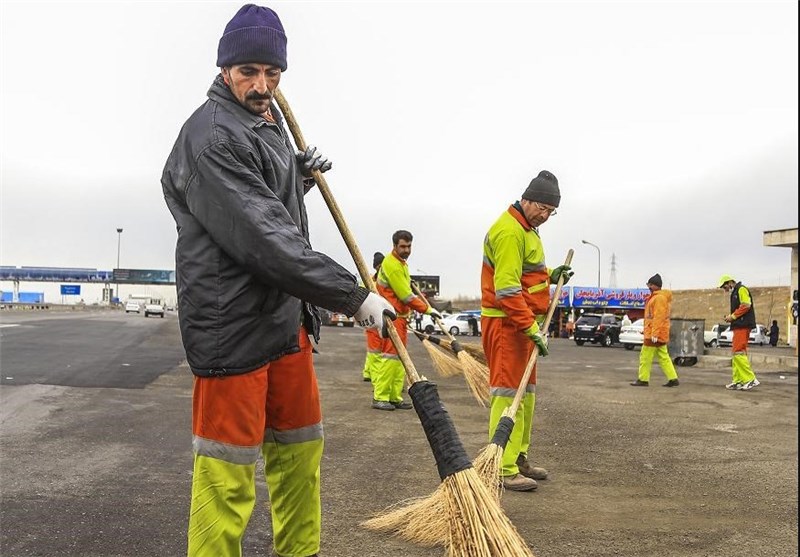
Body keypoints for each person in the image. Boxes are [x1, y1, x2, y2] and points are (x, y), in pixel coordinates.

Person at [160, 5, 396, 557]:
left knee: (300, 454)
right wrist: (352, 296)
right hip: (234, 330)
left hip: (284, 322)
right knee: (228, 478)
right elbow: (264, 238)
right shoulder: (212, 136)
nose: (262, 85)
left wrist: (297, 175)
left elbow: (268, 208)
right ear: (224, 71)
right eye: (249, 73)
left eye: (273, 74)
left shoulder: (263, 125)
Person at [481, 170, 573, 492]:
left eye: (551, 212)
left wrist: (550, 278)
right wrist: (530, 327)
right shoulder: (509, 232)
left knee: (527, 397)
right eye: (543, 209)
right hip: (507, 324)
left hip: (523, 325)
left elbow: (526, 278)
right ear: (527, 200)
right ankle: (502, 468)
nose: (546, 216)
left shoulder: (529, 230)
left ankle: (518, 456)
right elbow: (506, 290)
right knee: (508, 395)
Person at [373, 230, 441, 411]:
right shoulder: (393, 265)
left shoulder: (401, 264)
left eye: (409, 246)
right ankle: (380, 396)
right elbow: (406, 296)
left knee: (399, 358)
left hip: (400, 318)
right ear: (394, 246)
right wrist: (428, 310)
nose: (407, 250)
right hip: (391, 317)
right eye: (403, 246)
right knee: (389, 357)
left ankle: (394, 396)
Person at [630, 274, 680, 388]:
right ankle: (673, 378)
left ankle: (643, 379)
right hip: (657, 333)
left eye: (650, 284)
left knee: (645, 356)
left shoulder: (658, 298)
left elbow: (659, 317)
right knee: (663, 356)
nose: (648, 287)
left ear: (654, 286)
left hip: (654, 335)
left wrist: (654, 333)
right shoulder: (658, 297)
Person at [718, 275, 760, 390]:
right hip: (739, 325)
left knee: (738, 351)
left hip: (743, 325)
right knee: (736, 353)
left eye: (724, 286)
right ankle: (738, 380)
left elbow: (746, 305)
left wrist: (732, 316)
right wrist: (731, 317)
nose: (724, 289)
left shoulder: (741, 289)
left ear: (730, 282)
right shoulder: (735, 292)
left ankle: (750, 379)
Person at [361, 252, 385, 382]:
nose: (381, 268)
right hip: (373, 319)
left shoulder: (376, 279)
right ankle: (377, 382)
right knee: (375, 351)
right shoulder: (370, 281)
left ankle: (367, 372)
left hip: (376, 319)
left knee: (372, 351)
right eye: (379, 266)